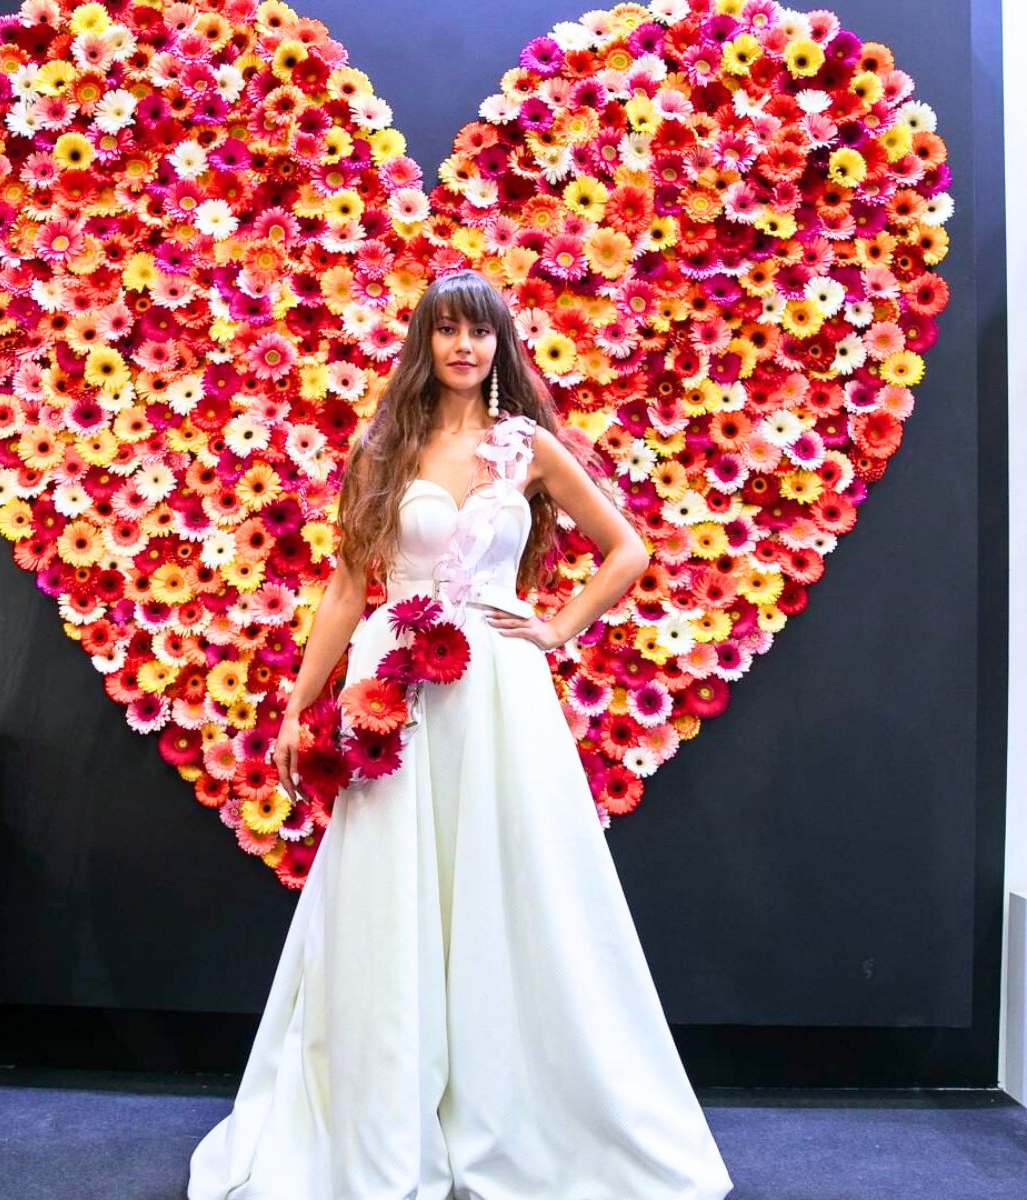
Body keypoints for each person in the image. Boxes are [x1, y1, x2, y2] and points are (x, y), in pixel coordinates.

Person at [187, 269, 734, 1200]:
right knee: (389, 890)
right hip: (390, 690)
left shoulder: (528, 448)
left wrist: (557, 628)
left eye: (478, 332)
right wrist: (296, 707)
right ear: (425, 343)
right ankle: (384, 1115)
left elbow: (627, 548)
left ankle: (514, 1108)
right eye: (445, 331)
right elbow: (348, 589)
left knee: (509, 886)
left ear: (500, 345)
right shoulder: (384, 450)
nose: (462, 348)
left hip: (496, 688)